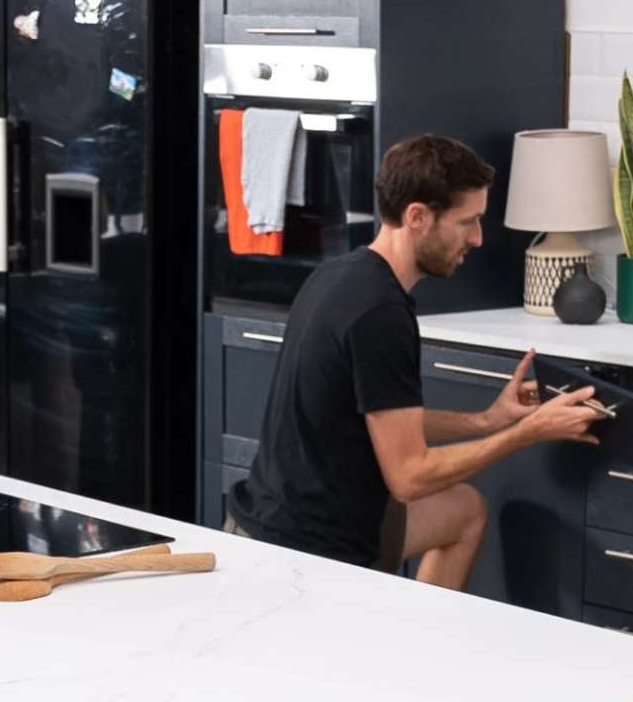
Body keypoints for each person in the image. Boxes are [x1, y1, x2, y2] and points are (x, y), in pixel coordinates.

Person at [228, 133, 605, 589]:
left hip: (269, 523)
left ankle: (417, 649)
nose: (479, 238)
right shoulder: (380, 314)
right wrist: (528, 432)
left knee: (464, 511)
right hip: (305, 559)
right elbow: (409, 477)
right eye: (468, 221)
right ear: (418, 217)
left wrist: (490, 420)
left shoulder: (342, 275)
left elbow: (385, 418)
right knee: (434, 499)